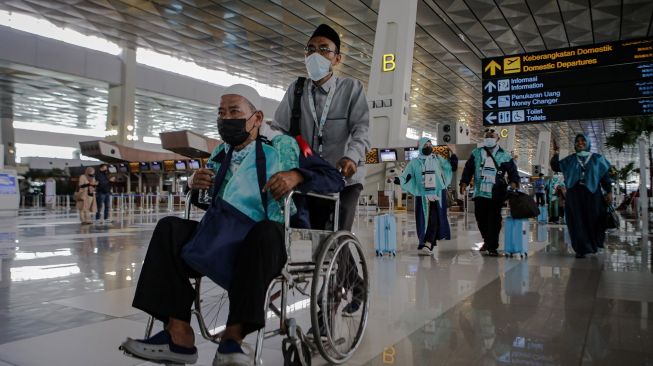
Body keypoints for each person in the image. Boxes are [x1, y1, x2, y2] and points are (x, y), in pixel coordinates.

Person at [120, 84, 343, 366]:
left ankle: (233, 338)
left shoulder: (286, 146)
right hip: (224, 233)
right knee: (169, 228)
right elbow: (209, 203)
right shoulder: (220, 155)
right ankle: (178, 336)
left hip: (269, 236)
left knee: (263, 233)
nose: (226, 118)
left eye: (234, 111)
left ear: (257, 118)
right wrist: (195, 186)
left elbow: (333, 178)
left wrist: (297, 175)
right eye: (221, 113)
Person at [272, 23, 370, 233]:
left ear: (337, 58)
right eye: (310, 49)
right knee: (311, 232)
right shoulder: (296, 90)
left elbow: (361, 129)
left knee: (339, 230)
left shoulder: (352, 89)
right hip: (309, 175)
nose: (316, 54)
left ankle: (342, 260)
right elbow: (279, 130)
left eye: (324, 48)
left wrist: (352, 156)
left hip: (345, 178)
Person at [550, 134, 612, 258]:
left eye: (583, 141)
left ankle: (594, 245)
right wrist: (556, 153)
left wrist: (609, 191)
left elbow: (604, 177)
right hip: (574, 195)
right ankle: (581, 248)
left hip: (593, 194)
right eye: (577, 141)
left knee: (594, 219)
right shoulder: (570, 159)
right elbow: (556, 166)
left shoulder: (597, 159)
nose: (580, 143)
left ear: (588, 143)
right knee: (576, 221)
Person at [459, 128, 519, 256]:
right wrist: (464, 182)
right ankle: (487, 240)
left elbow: (513, 171)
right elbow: (468, 169)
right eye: (486, 136)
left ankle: (492, 246)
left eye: (492, 136)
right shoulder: (476, 153)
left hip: (496, 193)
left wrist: (514, 182)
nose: (489, 138)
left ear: (498, 138)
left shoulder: (505, 155)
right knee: (480, 218)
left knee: (494, 219)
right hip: (480, 192)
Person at [394, 138, 457, 256]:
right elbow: (406, 175)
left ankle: (428, 244)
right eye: (426, 145)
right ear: (420, 146)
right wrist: (399, 180)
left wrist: (453, 153)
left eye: (430, 144)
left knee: (435, 218)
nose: (428, 146)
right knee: (422, 220)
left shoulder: (437, 159)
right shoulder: (414, 162)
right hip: (422, 195)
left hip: (438, 193)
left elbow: (451, 167)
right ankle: (423, 242)